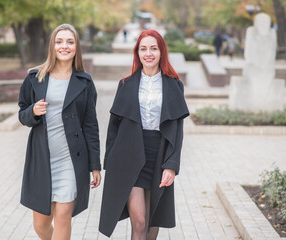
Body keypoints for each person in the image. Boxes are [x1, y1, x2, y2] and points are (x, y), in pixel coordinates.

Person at [99, 30, 189, 239]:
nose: (148, 53)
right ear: (137, 53)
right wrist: (109, 163)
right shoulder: (125, 84)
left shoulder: (174, 85)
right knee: (139, 222)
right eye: (143, 49)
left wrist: (172, 165)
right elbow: (113, 127)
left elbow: (177, 130)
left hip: (159, 156)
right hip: (129, 156)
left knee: (151, 223)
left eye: (153, 48)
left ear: (161, 52)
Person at [18, 23, 101, 240]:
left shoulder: (84, 82)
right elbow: (22, 114)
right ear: (52, 46)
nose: (65, 46)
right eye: (59, 41)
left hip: (71, 160)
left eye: (70, 42)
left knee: (63, 215)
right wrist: (33, 112)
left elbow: (91, 126)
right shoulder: (34, 78)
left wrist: (95, 166)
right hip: (42, 159)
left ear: (76, 47)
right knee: (41, 225)